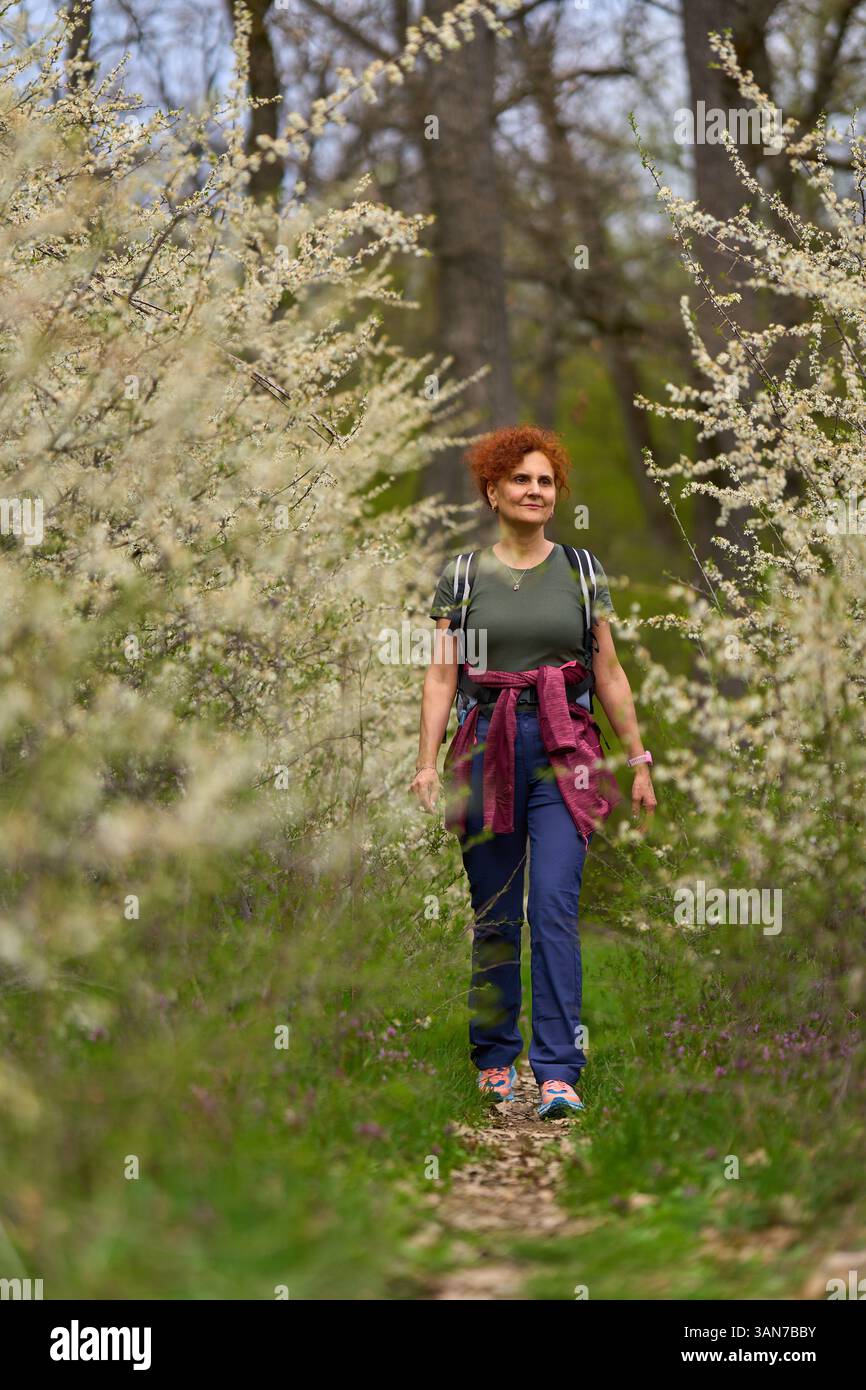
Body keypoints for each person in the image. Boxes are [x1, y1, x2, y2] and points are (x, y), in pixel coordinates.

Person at [409, 425, 657, 1118]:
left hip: (564, 750)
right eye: (521, 479)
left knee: (552, 904)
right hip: (484, 743)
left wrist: (637, 760)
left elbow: (607, 671)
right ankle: (493, 1057)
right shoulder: (461, 576)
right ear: (494, 491)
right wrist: (426, 763)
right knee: (494, 913)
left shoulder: (582, 570)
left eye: (545, 481)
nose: (535, 491)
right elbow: (439, 676)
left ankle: (556, 1071)